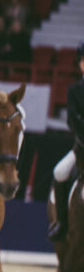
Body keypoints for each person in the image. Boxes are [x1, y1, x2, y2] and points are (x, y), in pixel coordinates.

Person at [48, 41, 84, 241]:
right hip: (82, 147)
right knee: (59, 172)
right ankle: (61, 222)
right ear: (80, 63)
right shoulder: (75, 91)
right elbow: (73, 121)